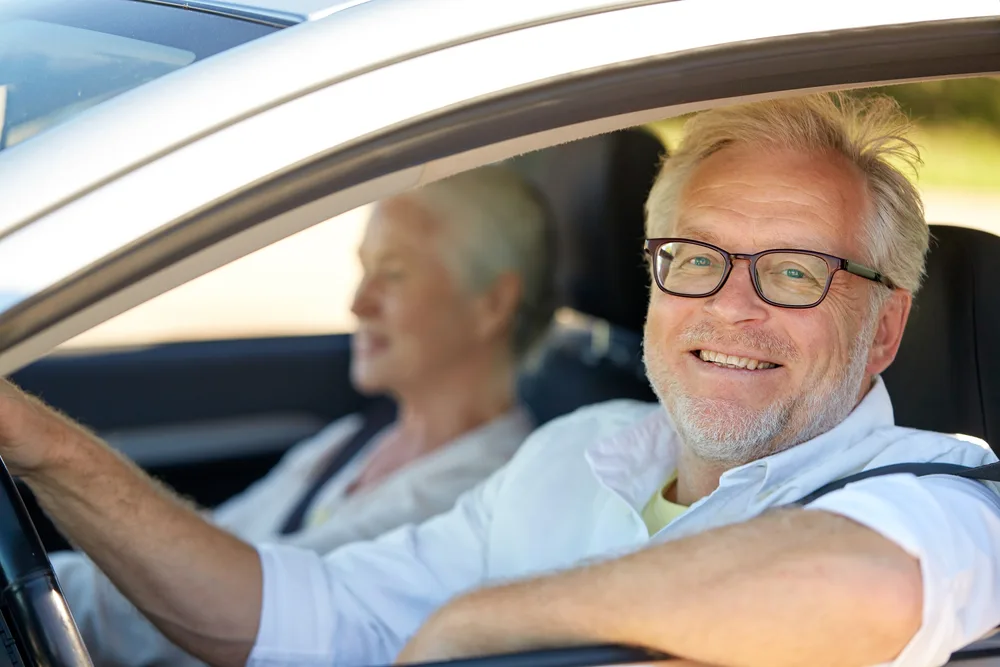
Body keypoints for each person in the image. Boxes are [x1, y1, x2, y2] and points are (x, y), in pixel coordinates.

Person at [2, 92, 999, 667]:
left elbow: (856, 582)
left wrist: (477, 624)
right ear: (651, 276)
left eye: (795, 272)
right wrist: (40, 447)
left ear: (882, 328)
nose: (730, 307)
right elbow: (310, 614)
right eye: (694, 257)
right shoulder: (578, 448)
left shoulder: (947, 492)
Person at [46, 165, 557, 666]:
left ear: (492, 302)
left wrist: (51, 578)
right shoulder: (360, 437)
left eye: (394, 273)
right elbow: (217, 539)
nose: (358, 303)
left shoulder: (478, 495)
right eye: (364, 269)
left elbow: (235, 605)